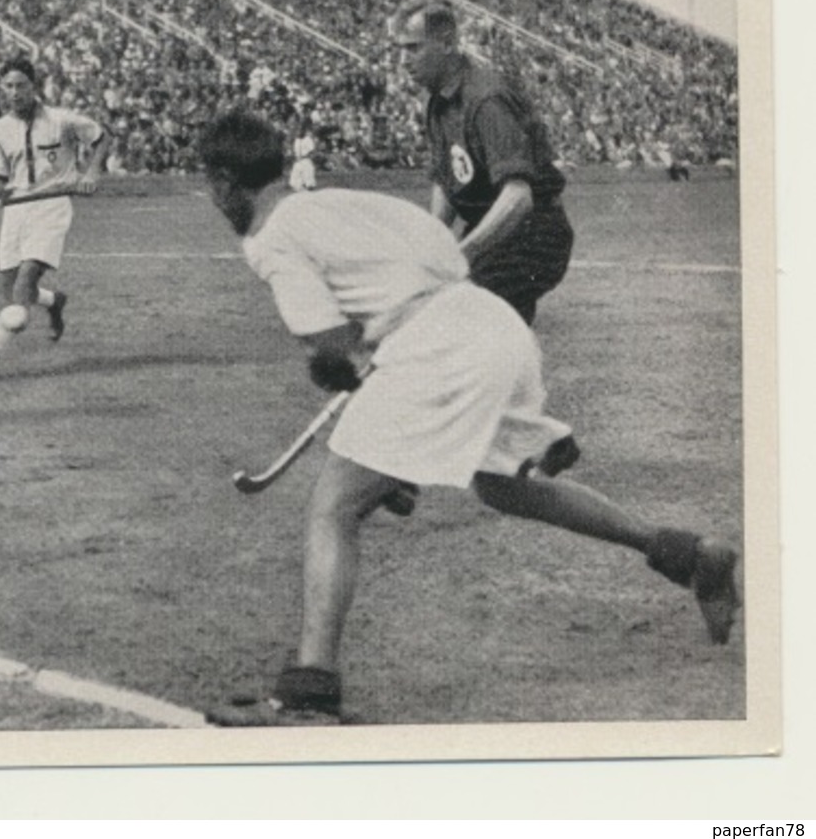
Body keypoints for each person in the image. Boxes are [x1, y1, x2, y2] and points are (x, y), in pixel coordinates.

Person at [196, 109, 740, 727]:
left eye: (209, 184)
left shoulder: (270, 237)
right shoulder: (348, 202)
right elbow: (445, 260)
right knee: (505, 486)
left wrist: (334, 373)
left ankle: (308, 695)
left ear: (221, 180)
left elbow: (331, 341)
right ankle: (688, 555)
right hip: (491, 325)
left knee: (335, 506)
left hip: (441, 351)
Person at [391, 0, 574, 325]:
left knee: (453, 312)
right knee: (486, 336)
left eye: (414, 48)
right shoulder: (438, 103)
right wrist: (433, 243)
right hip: (497, 230)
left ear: (447, 43)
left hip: (534, 233)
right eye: (400, 49)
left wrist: (461, 255)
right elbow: (447, 183)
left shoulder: (486, 98)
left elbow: (518, 197)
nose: (403, 61)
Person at [0, 56, 107, 381]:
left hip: (52, 204)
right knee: (12, 291)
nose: (15, 93)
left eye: (21, 86)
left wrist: (92, 171)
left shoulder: (61, 120)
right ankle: (54, 301)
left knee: (26, 280)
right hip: (16, 207)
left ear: (34, 86)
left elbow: (101, 138)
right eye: (9, 86)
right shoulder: (0, 128)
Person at [287, 121, 318, 192]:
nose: (299, 132)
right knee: (294, 180)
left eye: (301, 130)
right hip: (298, 161)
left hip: (305, 160)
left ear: (304, 131)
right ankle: (300, 189)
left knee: (308, 175)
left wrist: (305, 155)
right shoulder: (297, 140)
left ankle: (309, 187)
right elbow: (295, 151)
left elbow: (311, 150)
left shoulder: (307, 139)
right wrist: (296, 157)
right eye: (298, 130)